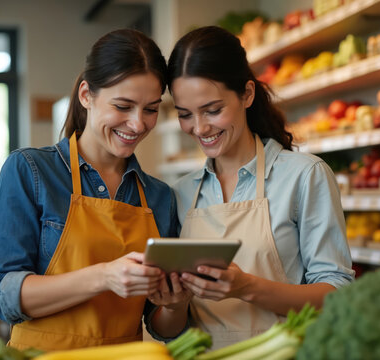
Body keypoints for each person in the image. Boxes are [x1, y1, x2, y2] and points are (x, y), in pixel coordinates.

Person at [147, 26, 354, 349]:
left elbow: (338, 295)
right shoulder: (180, 193)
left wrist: (246, 287)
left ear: (247, 94)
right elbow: (166, 331)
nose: (200, 128)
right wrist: (174, 304)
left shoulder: (304, 175)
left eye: (213, 110)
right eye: (185, 115)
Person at [0, 29, 179, 351]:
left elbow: (161, 325)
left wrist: (175, 303)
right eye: (123, 106)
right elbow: (2, 297)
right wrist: (103, 277)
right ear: (86, 95)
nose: (138, 124)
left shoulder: (159, 197)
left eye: (151, 109)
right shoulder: (30, 171)